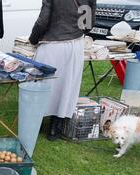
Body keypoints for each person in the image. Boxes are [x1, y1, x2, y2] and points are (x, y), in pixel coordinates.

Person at [29, 0, 96, 141]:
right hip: (75, 45)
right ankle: (55, 128)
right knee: (66, 85)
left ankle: (36, 123)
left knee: (42, 84)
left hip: (52, 44)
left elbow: (43, 21)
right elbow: (87, 23)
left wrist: (33, 39)